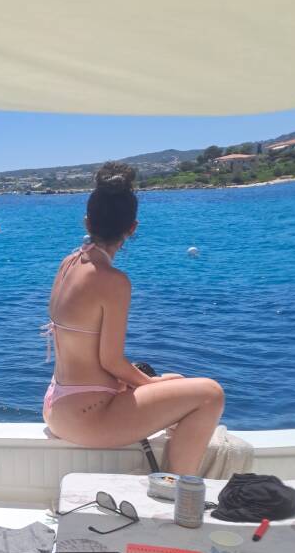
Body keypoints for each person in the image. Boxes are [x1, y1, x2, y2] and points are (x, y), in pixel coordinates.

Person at [42, 163, 224, 475]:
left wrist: (153, 383)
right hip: (87, 416)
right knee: (210, 394)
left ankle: (172, 476)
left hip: (56, 405)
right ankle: (177, 490)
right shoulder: (113, 281)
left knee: (176, 380)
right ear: (132, 228)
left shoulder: (68, 264)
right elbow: (111, 361)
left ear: (87, 221)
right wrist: (149, 383)